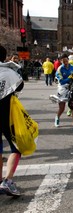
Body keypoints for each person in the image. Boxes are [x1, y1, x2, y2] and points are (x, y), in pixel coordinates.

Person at [0, 45, 24, 196]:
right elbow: (20, 86)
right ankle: (7, 181)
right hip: (6, 116)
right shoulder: (8, 72)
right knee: (16, 148)